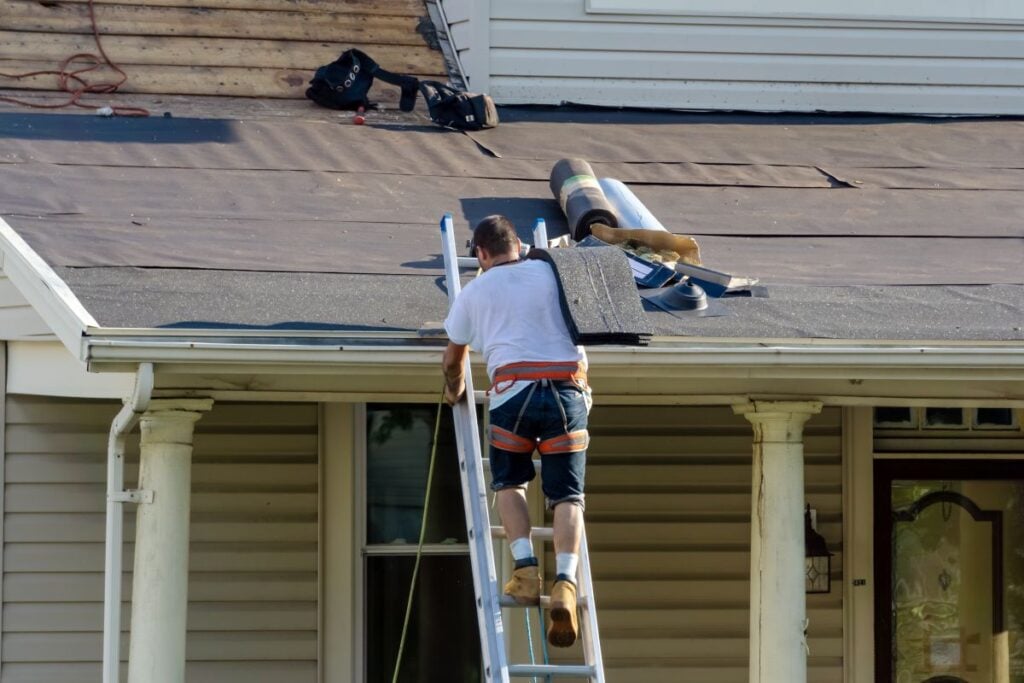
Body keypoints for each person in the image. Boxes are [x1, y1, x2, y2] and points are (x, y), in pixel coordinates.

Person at [442, 215, 591, 648]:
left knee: (510, 483)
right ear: (520, 245)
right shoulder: (551, 269)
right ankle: (565, 581)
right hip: (567, 390)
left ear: (482, 254)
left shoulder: (476, 290)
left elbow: (454, 361)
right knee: (567, 495)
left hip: (512, 395)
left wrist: (454, 390)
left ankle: (525, 574)